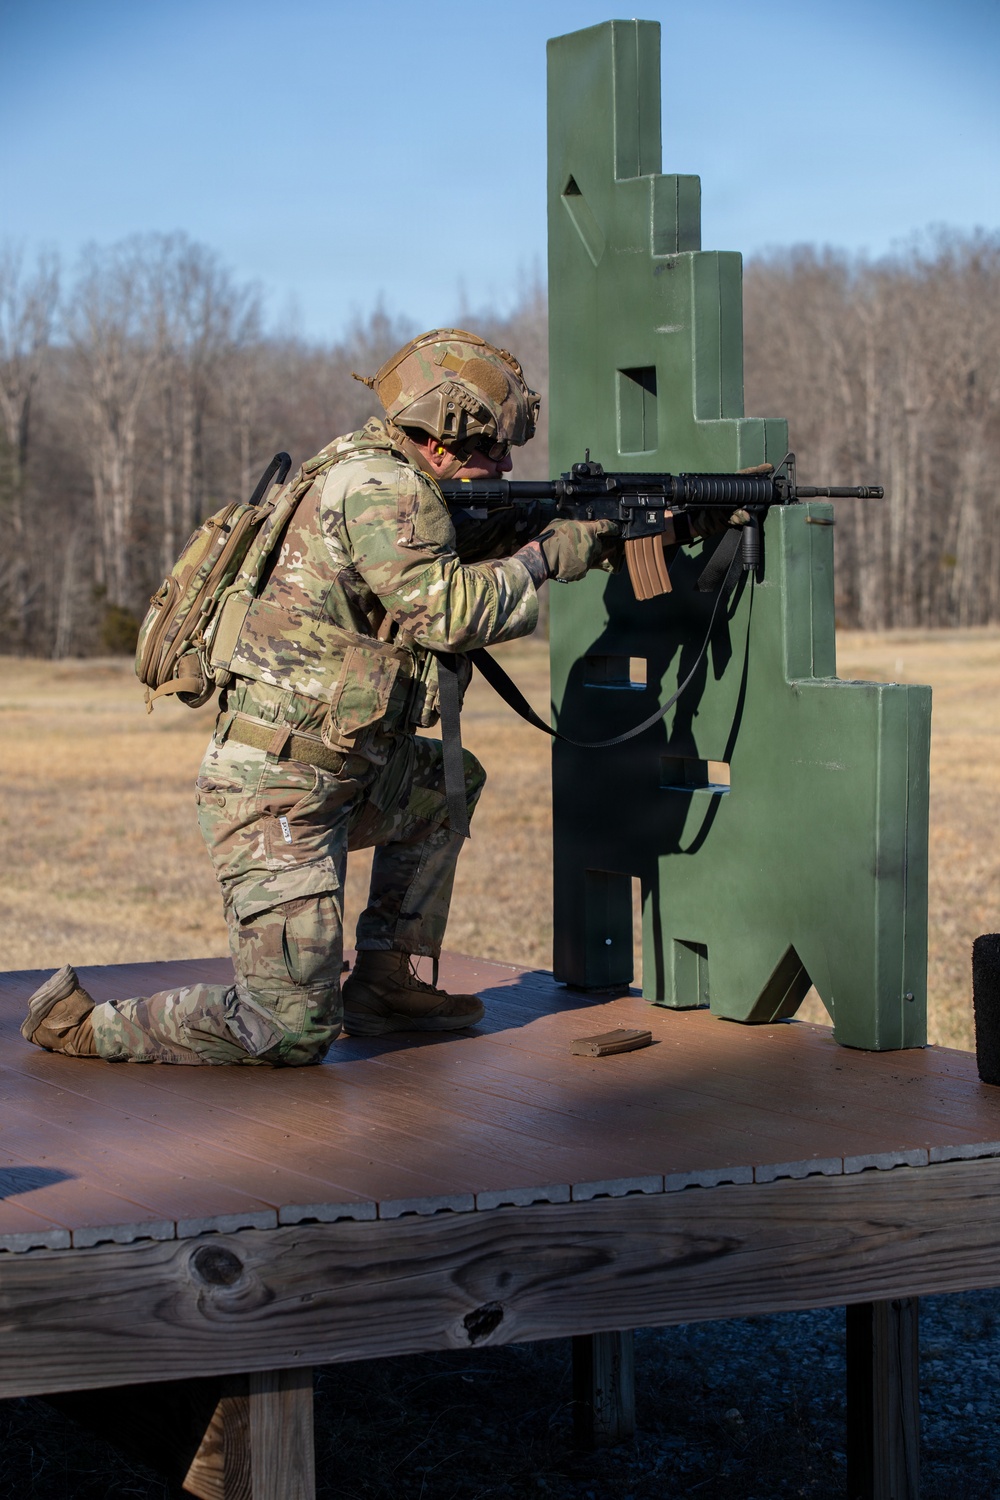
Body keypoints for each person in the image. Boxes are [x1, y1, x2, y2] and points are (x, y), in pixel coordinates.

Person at [21, 329, 623, 1065]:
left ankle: (386, 982)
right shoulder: (381, 489)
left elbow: (437, 566)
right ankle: (87, 1026)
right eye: (492, 448)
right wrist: (543, 558)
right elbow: (449, 614)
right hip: (278, 798)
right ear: (438, 441)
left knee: (442, 790)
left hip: (337, 773)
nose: (504, 464)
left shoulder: (382, 475)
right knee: (287, 1031)